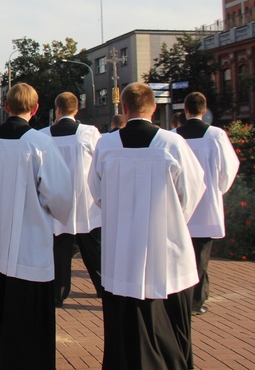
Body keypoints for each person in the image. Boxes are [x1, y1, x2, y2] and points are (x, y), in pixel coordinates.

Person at [89, 82, 206, 369]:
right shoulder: (172, 143)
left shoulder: (106, 144)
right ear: (154, 108)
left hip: (120, 252)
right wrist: (171, 220)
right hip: (164, 250)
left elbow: (97, 192)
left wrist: (121, 215)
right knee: (169, 323)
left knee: (123, 323)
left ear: (123, 108)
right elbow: (192, 191)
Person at [0, 83, 72, 369]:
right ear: (35, 110)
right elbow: (60, 196)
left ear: (7, 107)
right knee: (28, 319)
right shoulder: (40, 144)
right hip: (29, 250)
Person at [176, 92, 239, 315]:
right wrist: (217, 189)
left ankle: (181, 299)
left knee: (180, 254)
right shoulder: (216, 135)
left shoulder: (174, 136)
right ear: (204, 110)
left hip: (179, 205)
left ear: (185, 109)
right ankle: (195, 301)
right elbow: (229, 167)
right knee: (201, 256)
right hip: (205, 205)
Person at [40, 92, 103, 307]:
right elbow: (101, 163)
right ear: (77, 110)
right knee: (93, 250)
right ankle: (104, 288)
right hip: (86, 201)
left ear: (57, 110)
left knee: (60, 250)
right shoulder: (89, 133)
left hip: (57, 201)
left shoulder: (43, 135)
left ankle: (58, 293)